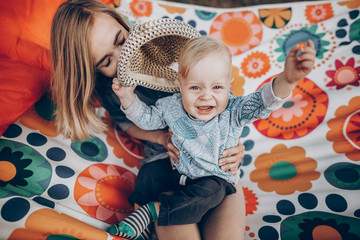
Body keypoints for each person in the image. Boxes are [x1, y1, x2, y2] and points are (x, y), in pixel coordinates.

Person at [50, 0, 246, 239]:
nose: (124, 59)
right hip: (167, 166)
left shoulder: (169, 49)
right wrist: (160, 137)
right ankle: (149, 213)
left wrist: (235, 146)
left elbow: (224, 101)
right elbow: (128, 125)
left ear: (125, 24)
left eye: (121, 41)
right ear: (94, 71)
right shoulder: (114, 90)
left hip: (214, 167)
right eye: (108, 61)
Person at [108, 36, 316, 239]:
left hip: (212, 180)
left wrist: (287, 80)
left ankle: (154, 211)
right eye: (195, 87)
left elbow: (263, 102)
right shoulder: (171, 106)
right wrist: (127, 98)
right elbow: (147, 120)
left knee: (214, 190)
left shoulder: (235, 111)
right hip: (178, 175)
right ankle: (143, 225)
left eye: (217, 87)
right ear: (180, 85)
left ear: (229, 85)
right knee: (150, 174)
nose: (206, 96)